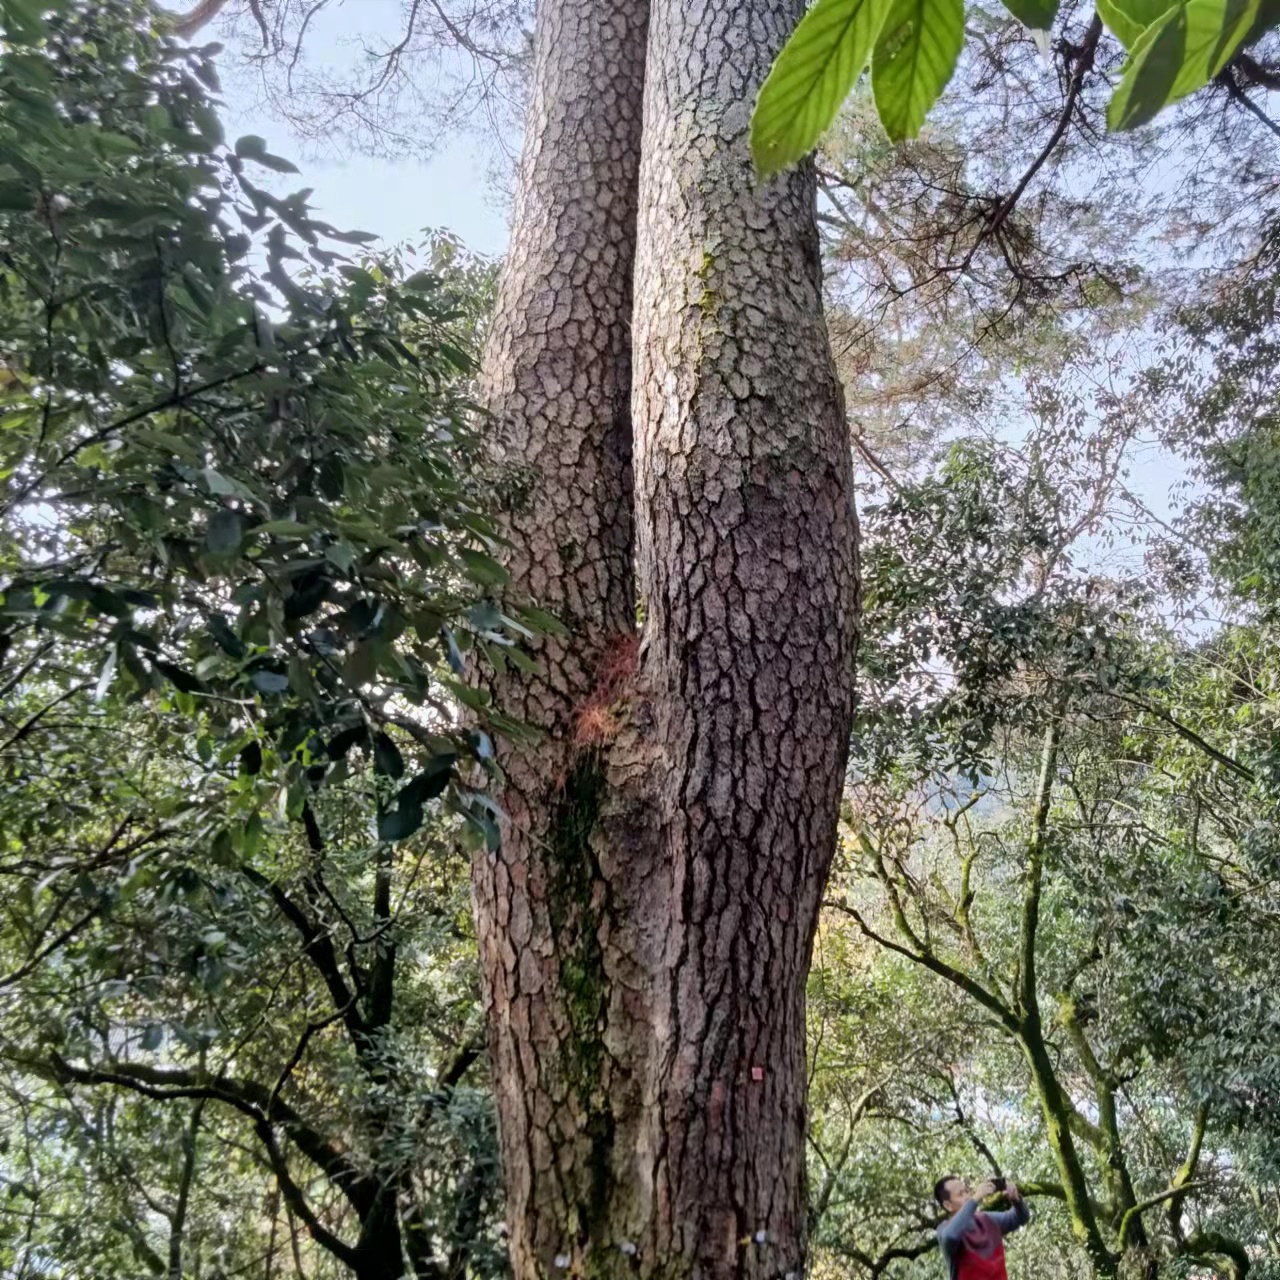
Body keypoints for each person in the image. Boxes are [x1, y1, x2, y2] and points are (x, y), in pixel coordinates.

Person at [933, 1175, 1030, 1280]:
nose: (967, 1196)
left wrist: (1016, 1200)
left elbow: (1020, 1218)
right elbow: (950, 1236)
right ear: (948, 1205)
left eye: (966, 1191)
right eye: (960, 1194)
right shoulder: (944, 1229)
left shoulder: (987, 1219)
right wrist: (976, 1198)